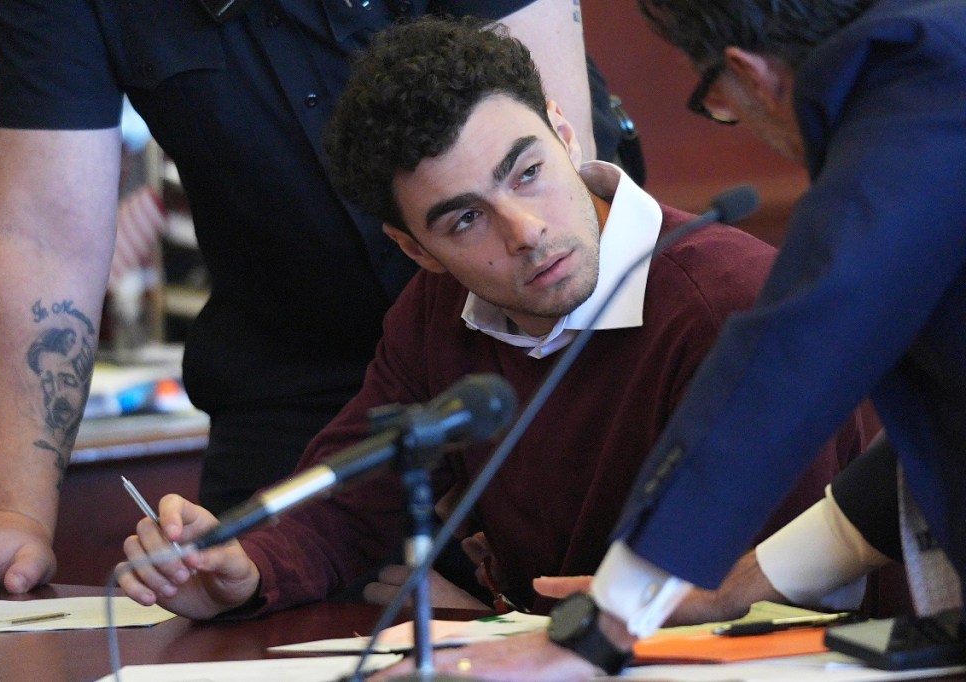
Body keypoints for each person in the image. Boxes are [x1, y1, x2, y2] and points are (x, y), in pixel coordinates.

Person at [114, 15, 862, 624]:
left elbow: (775, 603)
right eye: (466, 218)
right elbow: (348, 508)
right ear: (416, 249)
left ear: (566, 133)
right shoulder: (437, 313)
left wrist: (490, 619)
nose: (526, 230)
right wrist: (245, 568)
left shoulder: (726, 302)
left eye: (528, 172)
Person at [0, 0, 614, 595]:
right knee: (233, 599)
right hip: (289, 384)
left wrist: (505, 484)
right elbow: (44, 235)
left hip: (542, 356)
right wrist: (15, 513)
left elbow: (540, 210)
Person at [396, 0, 966, 679]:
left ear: (749, 75)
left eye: (717, 104)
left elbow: (780, 368)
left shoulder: (916, 101)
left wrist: (601, 626)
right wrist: (737, 584)